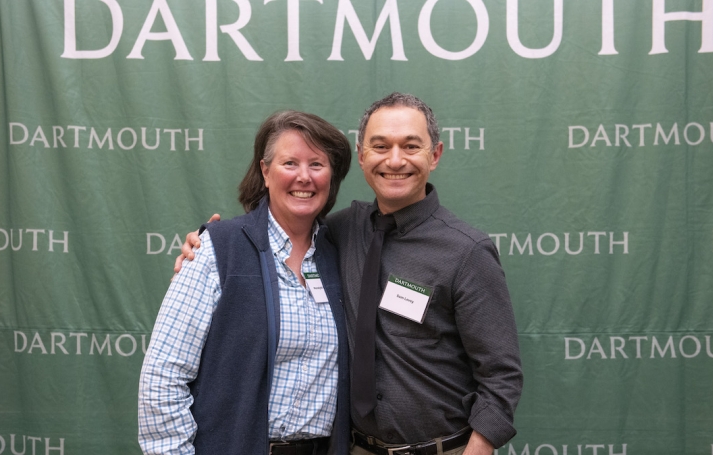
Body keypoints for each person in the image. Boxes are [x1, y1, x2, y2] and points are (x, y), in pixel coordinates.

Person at [177, 93, 522, 455]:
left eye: (410, 146)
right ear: (361, 156)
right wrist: (205, 249)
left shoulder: (466, 251)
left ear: (434, 155)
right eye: (380, 146)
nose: (395, 160)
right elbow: (275, 233)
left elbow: (501, 375)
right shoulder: (336, 233)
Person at [138, 110, 353, 455]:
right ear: (265, 171)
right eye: (289, 163)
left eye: (317, 164)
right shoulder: (217, 250)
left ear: (332, 177)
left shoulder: (342, 254)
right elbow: (163, 376)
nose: (304, 177)